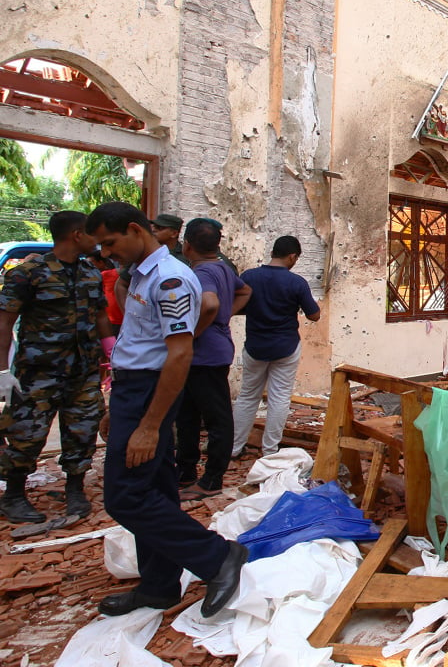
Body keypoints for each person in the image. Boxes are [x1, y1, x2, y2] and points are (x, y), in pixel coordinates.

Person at [85, 202, 246, 617]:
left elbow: (178, 355)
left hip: (148, 393)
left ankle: (217, 556)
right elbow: (140, 343)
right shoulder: (144, 274)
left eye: (110, 242)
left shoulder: (171, 279)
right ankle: (158, 586)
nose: (106, 252)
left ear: (136, 230)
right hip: (132, 391)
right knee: (153, 491)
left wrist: (148, 425)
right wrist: (116, 406)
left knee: (124, 497)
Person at [0, 212, 115, 523]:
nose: (98, 239)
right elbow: (4, 322)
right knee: (27, 434)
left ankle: (75, 489)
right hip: (38, 372)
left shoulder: (91, 273)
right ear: (77, 234)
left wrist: (112, 354)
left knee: (83, 430)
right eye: (93, 233)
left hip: (84, 370)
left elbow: (101, 316)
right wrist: (2, 373)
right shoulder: (28, 274)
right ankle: (13, 494)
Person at [175, 219, 251, 498]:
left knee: (214, 418)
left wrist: (193, 332)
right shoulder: (221, 267)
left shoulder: (203, 271)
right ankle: (185, 471)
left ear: (187, 245)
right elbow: (245, 291)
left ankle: (211, 479)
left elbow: (209, 304)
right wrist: (225, 316)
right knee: (188, 415)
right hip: (209, 351)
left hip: (204, 353)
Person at [230, 236, 321, 459]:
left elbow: (237, 306)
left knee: (247, 396)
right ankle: (270, 450)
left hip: (255, 346)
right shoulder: (296, 282)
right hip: (285, 346)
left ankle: (233, 447)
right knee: (279, 397)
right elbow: (314, 315)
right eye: (296, 259)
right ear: (292, 256)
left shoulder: (249, 277)